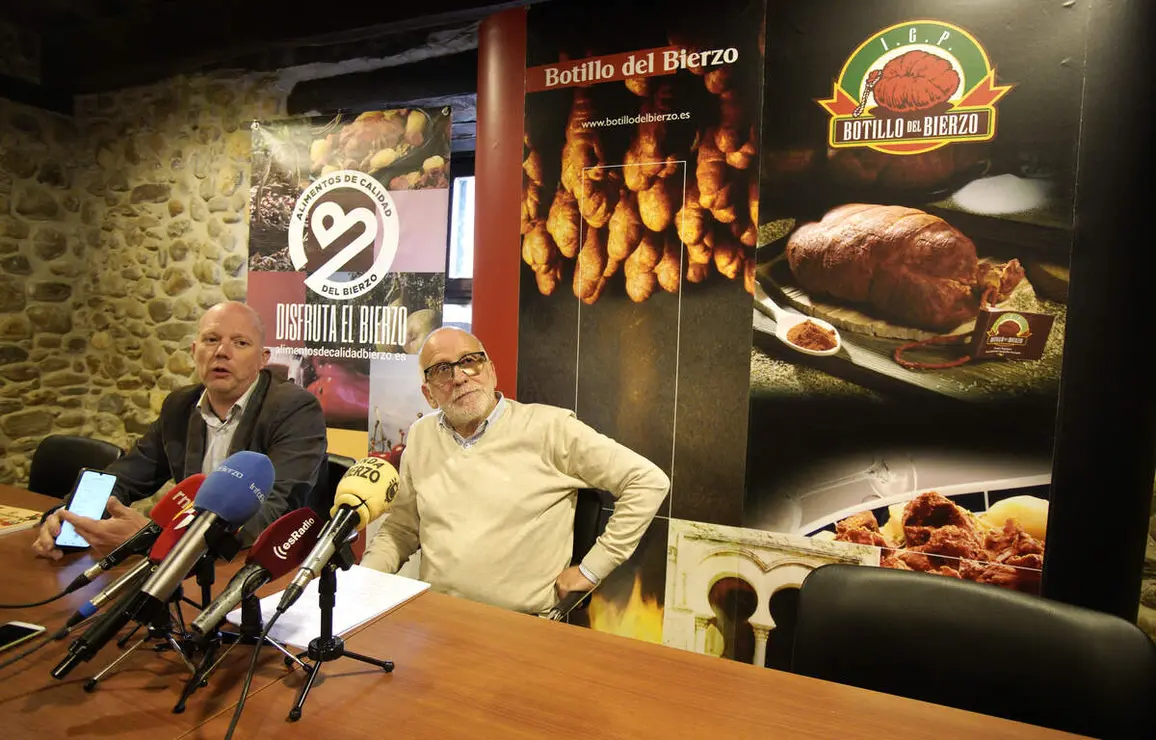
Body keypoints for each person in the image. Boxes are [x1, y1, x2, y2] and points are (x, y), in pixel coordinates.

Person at [361, 327, 670, 616]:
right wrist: (361, 583)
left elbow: (647, 482)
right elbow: (401, 529)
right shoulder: (421, 435)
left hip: (522, 625)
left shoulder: (550, 428)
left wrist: (592, 570)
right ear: (429, 394)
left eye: (470, 361)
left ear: (491, 371)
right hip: (441, 619)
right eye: (442, 369)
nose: (459, 377)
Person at [32, 301, 328, 560]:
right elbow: (126, 475)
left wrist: (156, 541)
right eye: (211, 340)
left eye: (240, 343)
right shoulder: (180, 406)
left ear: (263, 358)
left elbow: (274, 510)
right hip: (189, 562)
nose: (222, 352)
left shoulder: (295, 409)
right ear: (194, 350)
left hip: (263, 563)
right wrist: (66, 519)